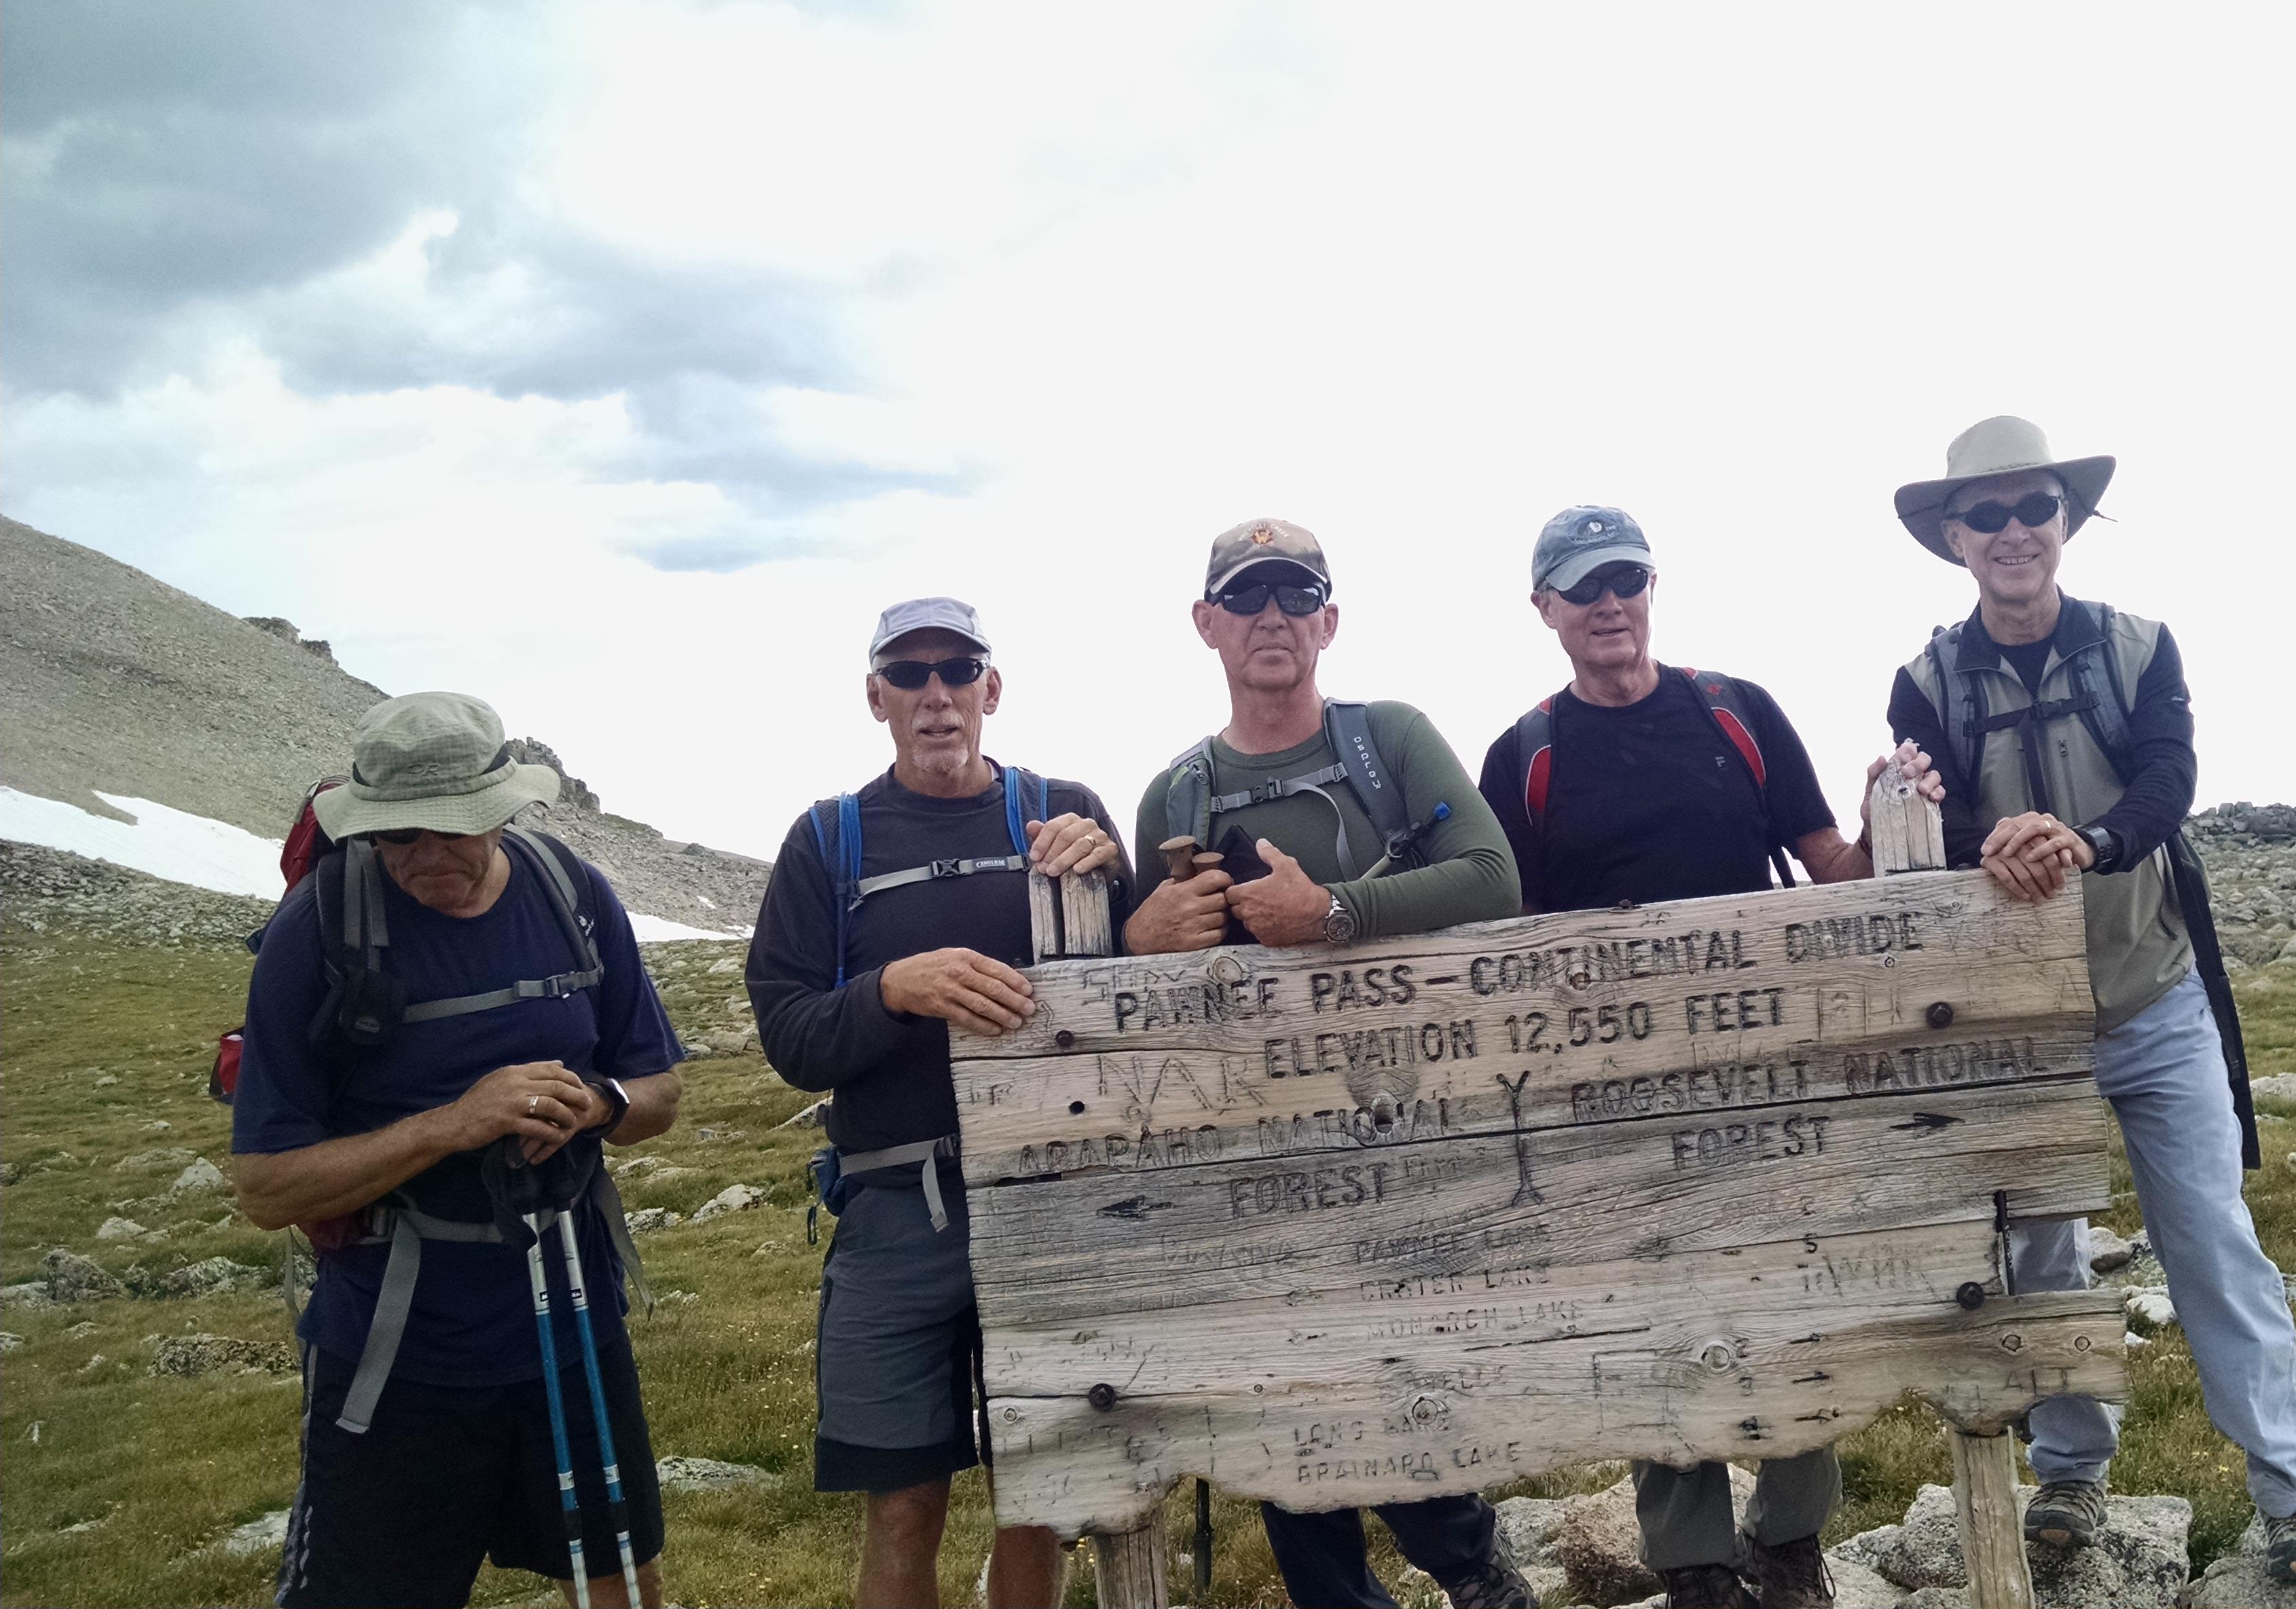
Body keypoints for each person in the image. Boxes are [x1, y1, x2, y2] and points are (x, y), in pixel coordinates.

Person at [1882, 416, 2296, 1589]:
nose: (2012, 532)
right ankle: (2071, 1474)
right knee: (2040, 1255)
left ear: (2066, 520)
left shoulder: (2141, 651)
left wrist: (2082, 843)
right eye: (1986, 515)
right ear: (1954, 537)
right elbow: (1929, 822)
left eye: (2032, 507)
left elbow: (2168, 780)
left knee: (2211, 1242)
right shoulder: (1923, 679)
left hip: (2155, 996)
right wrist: (1963, 830)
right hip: (2022, 1028)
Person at [1474, 506, 1919, 1609]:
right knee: (1654, 1314)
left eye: (1624, 577)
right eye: (1583, 587)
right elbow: (1513, 945)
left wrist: (1881, 817)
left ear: (1653, 584)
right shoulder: (1522, 755)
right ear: (1546, 610)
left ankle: (1789, 1540)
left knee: (1797, 1293)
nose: (1609, 603)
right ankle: (1692, 1565)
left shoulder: (1738, 712)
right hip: (1614, 1098)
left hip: (1775, 1074)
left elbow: (1834, 873)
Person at [1123, 518, 1535, 1609]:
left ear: (1329, 622)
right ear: (1206, 625)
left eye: (1296, 596)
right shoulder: (1173, 795)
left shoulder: (1389, 740)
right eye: (1249, 598)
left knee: (1403, 1366)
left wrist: (1335, 912)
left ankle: (1471, 1568)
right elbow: (1142, 982)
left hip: (1412, 1125)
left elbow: (1493, 877)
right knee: (1283, 1392)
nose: (1273, 618)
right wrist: (1140, 938)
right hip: (1252, 1144)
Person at [232, 692, 685, 1609]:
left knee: (623, 1585)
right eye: (398, 835)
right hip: (399, 1352)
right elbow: (267, 1186)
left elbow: (658, 1093)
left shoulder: (574, 896)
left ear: (502, 809)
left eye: (454, 828)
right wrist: (456, 1122)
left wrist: (597, 1105)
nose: (427, 855)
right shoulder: (315, 931)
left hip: (571, 1321)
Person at [747, 597, 1130, 1609]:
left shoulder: (1063, 810)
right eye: (908, 675)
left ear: (991, 689)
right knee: (905, 1503)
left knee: (1035, 1493)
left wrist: (1118, 880)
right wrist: (889, 992)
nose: (936, 696)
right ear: (875, 697)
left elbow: (1138, 995)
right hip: (892, 1213)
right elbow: (788, 1035)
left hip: (1048, 1203)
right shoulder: (827, 842)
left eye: (956, 671)